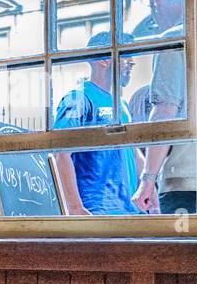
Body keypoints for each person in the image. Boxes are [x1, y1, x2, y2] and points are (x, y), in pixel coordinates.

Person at [129, 0, 194, 215]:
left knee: (178, 254)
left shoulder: (174, 39)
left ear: (156, 0)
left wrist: (148, 180)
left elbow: (165, 110)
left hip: (183, 185)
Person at [51, 33, 137, 215]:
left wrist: (149, 185)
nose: (132, 61)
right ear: (104, 60)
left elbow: (133, 151)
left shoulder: (122, 104)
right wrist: (74, 207)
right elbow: (61, 152)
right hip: (97, 211)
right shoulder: (78, 98)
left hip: (130, 211)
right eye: (125, 55)